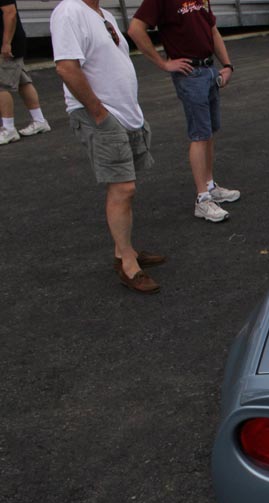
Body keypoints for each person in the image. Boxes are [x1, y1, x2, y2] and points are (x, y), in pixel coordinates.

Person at [51, 0, 162, 294]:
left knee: (125, 187)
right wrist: (99, 113)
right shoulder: (69, 11)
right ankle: (127, 264)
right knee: (123, 188)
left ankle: (122, 250)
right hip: (101, 116)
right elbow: (65, 67)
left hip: (124, 114)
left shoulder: (104, 14)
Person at [128, 0, 240, 223]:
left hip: (208, 70)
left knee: (208, 131)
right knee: (199, 134)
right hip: (190, 75)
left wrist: (227, 65)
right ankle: (202, 199)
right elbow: (135, 29)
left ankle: (210, 186)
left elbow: (212, 29)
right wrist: (163, 63)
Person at [1, 0, 50, 144]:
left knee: (1, 86)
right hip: (11, 43)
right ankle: (39, 121)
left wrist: (6, 43)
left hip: (7, 46)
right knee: (23, 81)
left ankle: (9, 130)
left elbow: (10, 13)